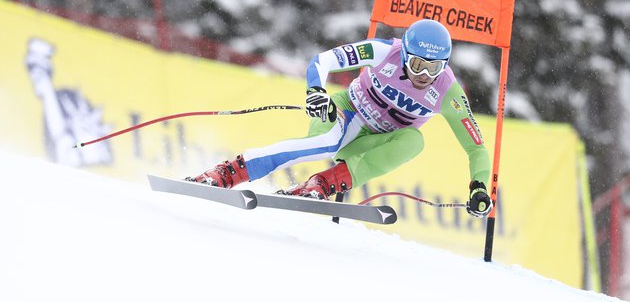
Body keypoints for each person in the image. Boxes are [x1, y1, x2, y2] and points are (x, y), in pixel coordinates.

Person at [186, 19, 493, 218]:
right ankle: (228, 172)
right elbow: (324, 60)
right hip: (346, 112)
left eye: (433, 68)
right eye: (416, 64)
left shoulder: (448, 92)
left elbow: (476, 146)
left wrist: (479, 186)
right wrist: (315, 91)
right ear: (404, 55)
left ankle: (321, 183)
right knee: (326, 143)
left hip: (373, 142)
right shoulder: (383, 51)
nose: (423, 76)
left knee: (414, 140)